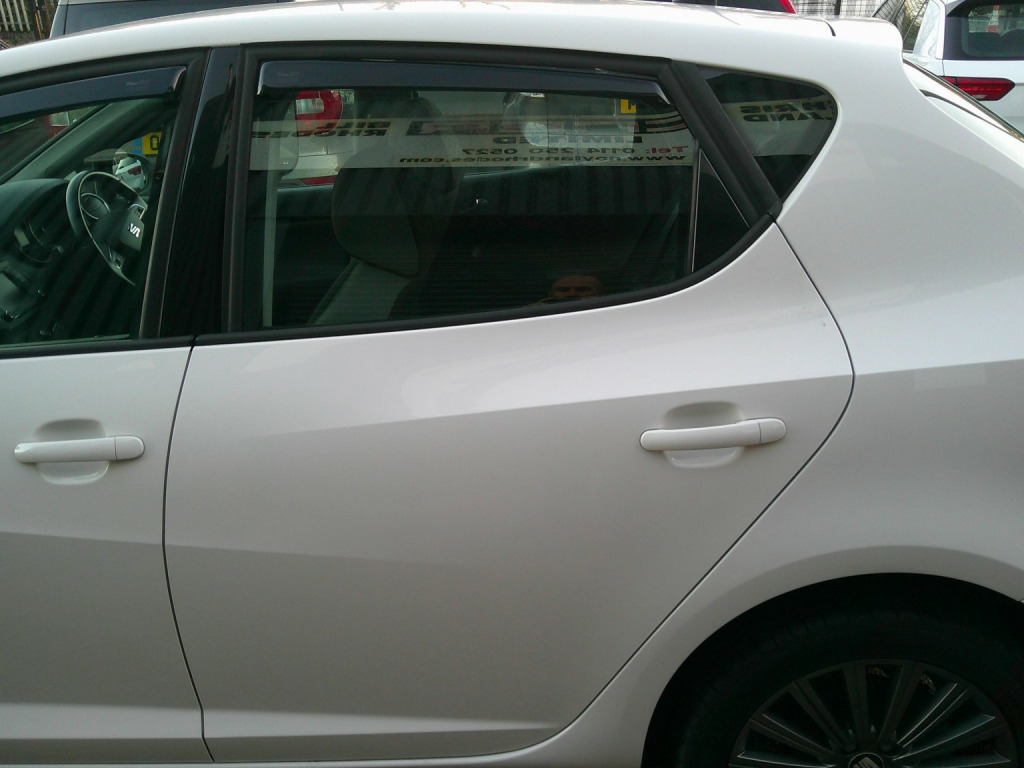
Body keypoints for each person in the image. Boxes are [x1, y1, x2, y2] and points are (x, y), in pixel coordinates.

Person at [535, 274, 604, 304]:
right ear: (550, 294)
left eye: (582, 290)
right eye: (563, 290)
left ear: (599, 292)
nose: (572, 294)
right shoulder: (534, 313)